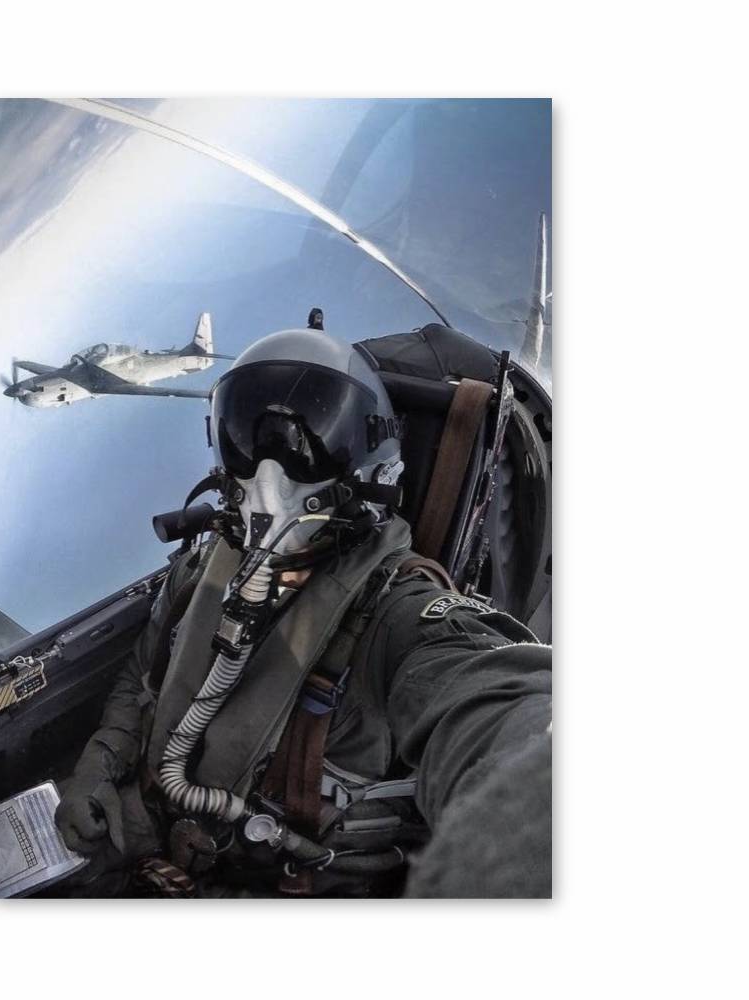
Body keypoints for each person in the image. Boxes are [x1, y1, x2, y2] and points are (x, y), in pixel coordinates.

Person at [54, 327, 551, 898]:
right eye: (249, 439)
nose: (270, 475)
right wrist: (99, 764)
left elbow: (498, 705)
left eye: (303, 446)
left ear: (372, 461)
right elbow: (143, 677)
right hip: (147, 837)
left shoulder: (400, 614)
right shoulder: (202, 570)